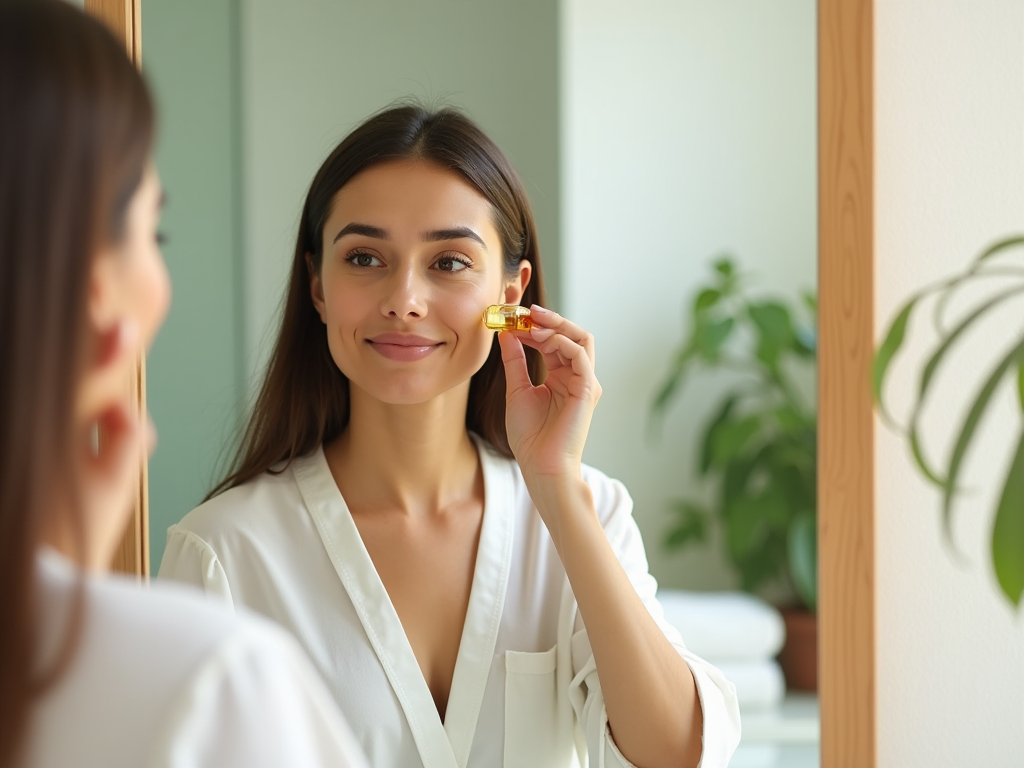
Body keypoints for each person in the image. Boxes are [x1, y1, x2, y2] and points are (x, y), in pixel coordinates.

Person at [160, 104, 741, 768]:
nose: (405, 298)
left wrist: (558, 494)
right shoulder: (224, 556)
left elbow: (677, 753)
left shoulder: (588, 514)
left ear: (512, 294)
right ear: (317, 285)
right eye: (365, 257)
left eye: (449, 263)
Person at [0, 3, 369, 767]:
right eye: (150, 231)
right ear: (101, 299)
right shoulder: (208, 677)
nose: (405, 299)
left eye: (450, 261)